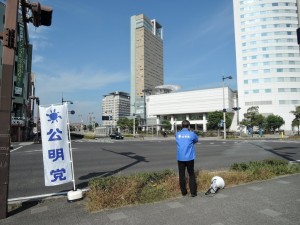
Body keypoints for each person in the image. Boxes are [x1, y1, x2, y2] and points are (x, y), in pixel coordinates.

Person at [175, 120, 198, 197]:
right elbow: (196, 140)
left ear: (182, 126)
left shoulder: (177, 134)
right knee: (191, 174)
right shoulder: (192, 134)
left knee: (181, 175)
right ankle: (193, 192)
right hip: (189, 157)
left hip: (180, 157)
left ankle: (184, 192)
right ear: (189, 126)